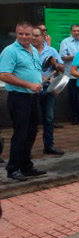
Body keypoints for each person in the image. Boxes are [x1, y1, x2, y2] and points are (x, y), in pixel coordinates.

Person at [0, 21, 46, 181]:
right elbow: (4, 75)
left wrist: (42, 79)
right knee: (21, 133)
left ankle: (26, 166)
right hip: (19, 98)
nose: (25, 37)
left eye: (28, 34)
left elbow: (32, 71)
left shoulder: (33, 50)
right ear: (16, 33)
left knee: (32, 132)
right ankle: (13, 168)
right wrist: (29, 84)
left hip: (33, 98)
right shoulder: (10, 51)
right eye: (21, 34)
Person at [31, 26, 65, 155]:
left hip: (48, 88)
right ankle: (27, 148)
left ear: (43, 37)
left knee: (49, 119)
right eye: (32, 36)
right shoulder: (28, 51)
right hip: (32, 89)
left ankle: (49, 146)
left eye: (36, 36)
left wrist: (55, 64)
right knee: (31, 120)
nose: (34, 38)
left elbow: (61, 68)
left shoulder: (51, 51)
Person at [59, 24, 79, 125]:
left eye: (78, 31)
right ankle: (75, 117)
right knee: (74, 98)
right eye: (74, 31)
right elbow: (62, 57)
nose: (76, 33)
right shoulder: (65, 42)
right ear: (71, 32)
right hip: (72, 75)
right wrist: (76, 57)